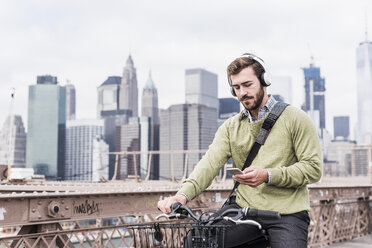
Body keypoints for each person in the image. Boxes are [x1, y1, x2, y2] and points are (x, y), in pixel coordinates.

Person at [157, 53, 322, 248]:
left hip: (287, 213)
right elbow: (208, 165)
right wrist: (181, 196)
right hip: (244, 210)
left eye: (247, 84)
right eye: (236, 88)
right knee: (197, 241)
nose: (242, 92)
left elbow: (313, 169)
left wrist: (268, 175)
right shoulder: (230, 127)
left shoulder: (296, 118)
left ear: (264, 81)